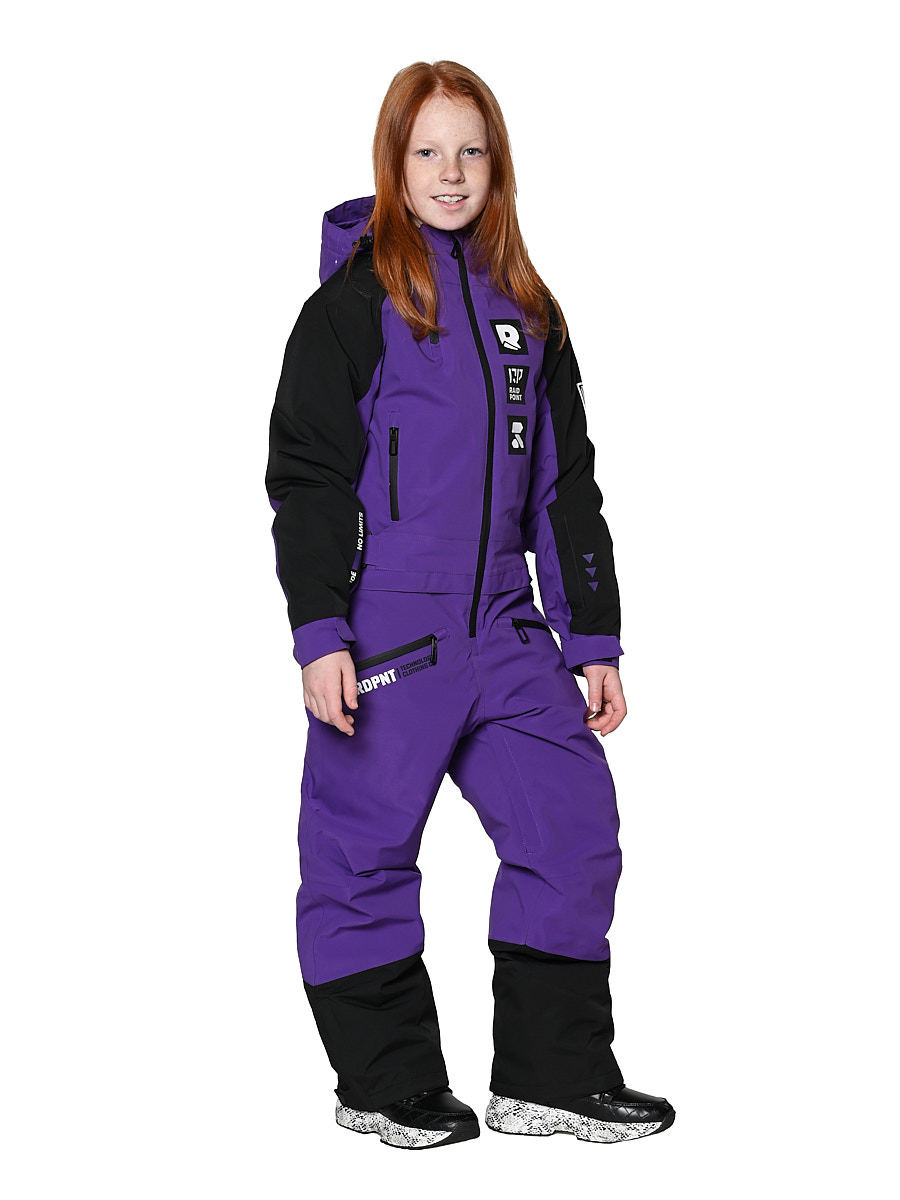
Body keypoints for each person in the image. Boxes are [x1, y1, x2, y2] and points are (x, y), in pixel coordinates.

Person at [265, 60, 676, 1150]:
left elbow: (566, 486)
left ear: (498, 165)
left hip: (505, 623)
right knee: (361, 851)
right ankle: (386, 1083)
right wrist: (320, 633)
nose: (451, 173)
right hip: (389, 625)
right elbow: (308, 479)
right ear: (393, 164)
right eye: (428, 152)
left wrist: (592, 638)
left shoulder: (529, 313)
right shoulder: (351, 308)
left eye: (471, 151)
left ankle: (552, 1078)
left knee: (571, 823)